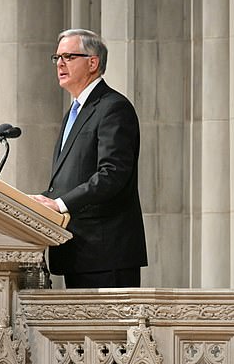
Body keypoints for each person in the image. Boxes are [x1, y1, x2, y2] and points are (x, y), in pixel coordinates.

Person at [31, 28, 147, 288]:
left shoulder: (113, 108)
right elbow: (72, 176)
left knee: (105, 331)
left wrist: (59, 205)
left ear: (93, 63)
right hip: (78, 250)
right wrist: (37, 202)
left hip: (106, 254)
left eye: (69, 57)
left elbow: (112, 175)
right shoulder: (75, 111)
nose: (60, 63)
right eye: (57, 58)